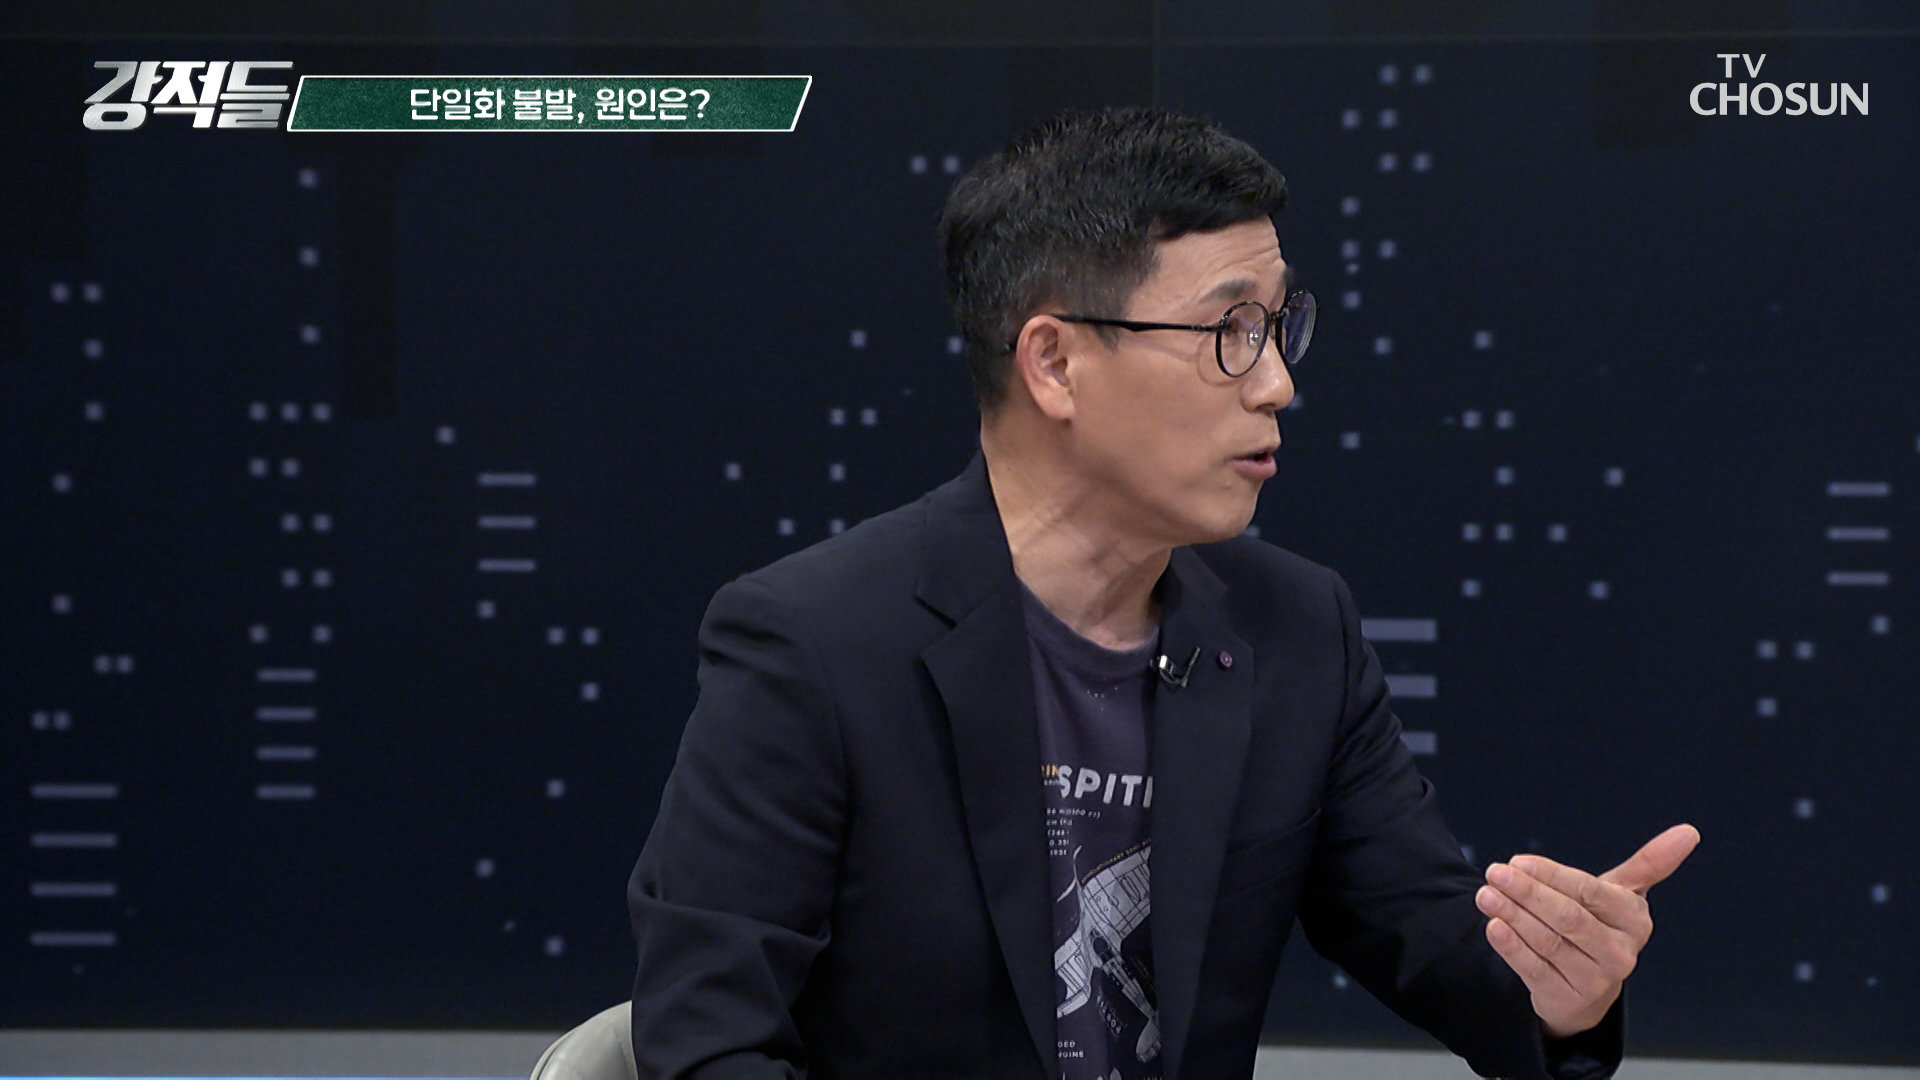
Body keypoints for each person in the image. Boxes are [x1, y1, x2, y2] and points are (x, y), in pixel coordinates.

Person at [627, 105, 1698, 1080]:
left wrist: (1560, 987)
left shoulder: (1297, 630)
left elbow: (1431, 939)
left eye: (1278, 326)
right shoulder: (813, 645)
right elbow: (707, 1046)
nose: (1277, 382)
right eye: (1229, 333)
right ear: (1054, 363)